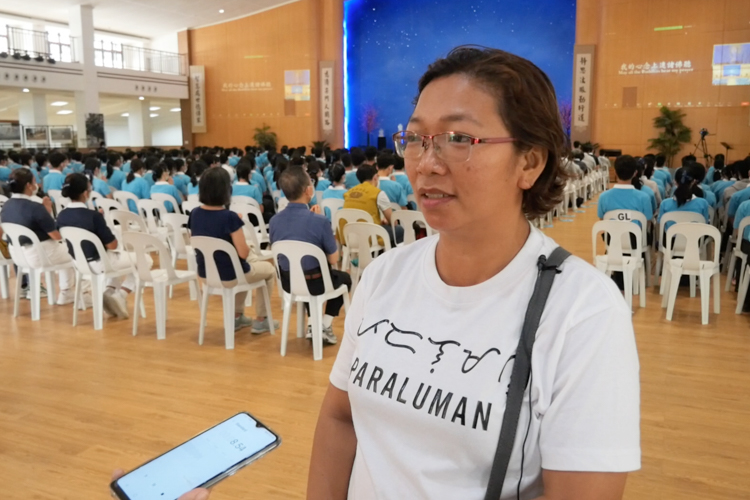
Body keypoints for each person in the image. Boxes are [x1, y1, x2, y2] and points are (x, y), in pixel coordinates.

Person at [308, 46, 639, 500]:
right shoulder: (386, 275)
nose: (426, 163)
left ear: (530, 162)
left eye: (459, 138)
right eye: (416, 138)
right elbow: (340, 418)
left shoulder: (583, 310)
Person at [269, 166, 352, 345]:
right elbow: (333, 259)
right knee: (344, 279)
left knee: (306, 270)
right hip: (315, 282)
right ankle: (324, 325)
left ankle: (313, 325)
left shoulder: (274, 221)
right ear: (308, 190)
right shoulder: (319, 221)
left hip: (288, 282)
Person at [188, 168, 277, 333]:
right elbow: (242, 253)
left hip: (206, 274)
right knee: (269, 270)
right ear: (226, 190)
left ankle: (237, 316)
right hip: (231, 276)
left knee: (242, 265)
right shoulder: (229, 217)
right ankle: (262, 319)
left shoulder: (194, 214)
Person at [56, 173, 137, 319]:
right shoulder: (93, 216)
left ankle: (109, 292)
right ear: (86, 193)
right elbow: (112, 245)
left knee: (121, 262)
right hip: (100, 262)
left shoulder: (61, 215)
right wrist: (100, 222)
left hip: (79, 264)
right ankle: (121, 294)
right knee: (144, 260)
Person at [0, 169, 80, 305]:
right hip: (41, 254)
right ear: (28, 185)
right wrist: (47, 212)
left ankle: (65, 292)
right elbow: (56, 235)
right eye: (34, 181)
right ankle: (67, 292)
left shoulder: (6, 206)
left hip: (18, 256)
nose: (36, 184)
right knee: (75, 250)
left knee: (65, 250)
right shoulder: (35, 207)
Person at [343, 164, 404, 247]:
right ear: (375, 177)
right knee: (399, 230)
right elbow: (393, 222)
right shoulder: (378, 193)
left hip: (348, 236)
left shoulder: (348, 193)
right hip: (369, 237)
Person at [597, 155, 653, 227]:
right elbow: (647, 220)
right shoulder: (644, 197)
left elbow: (602, 219)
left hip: (612, 237)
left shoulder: (603, 197)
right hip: (637, 237)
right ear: (635, 173)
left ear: (615, 172)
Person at [658, 164, 710, 231]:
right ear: (693, 182)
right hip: (695, 240)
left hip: (670, 240)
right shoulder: (703, 203)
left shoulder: (665, 204)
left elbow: (660, 226)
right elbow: (704, 225)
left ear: (675, 182)